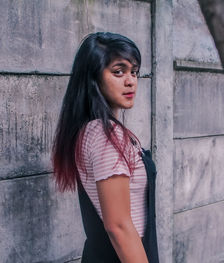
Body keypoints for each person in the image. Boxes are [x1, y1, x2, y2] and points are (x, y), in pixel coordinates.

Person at [51, 32, 159, 263]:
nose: (130, 80)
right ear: (93, 78)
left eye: (134, 71)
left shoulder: (94, 131)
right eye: (118, 71)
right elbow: (118, 226)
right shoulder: (104, 135)